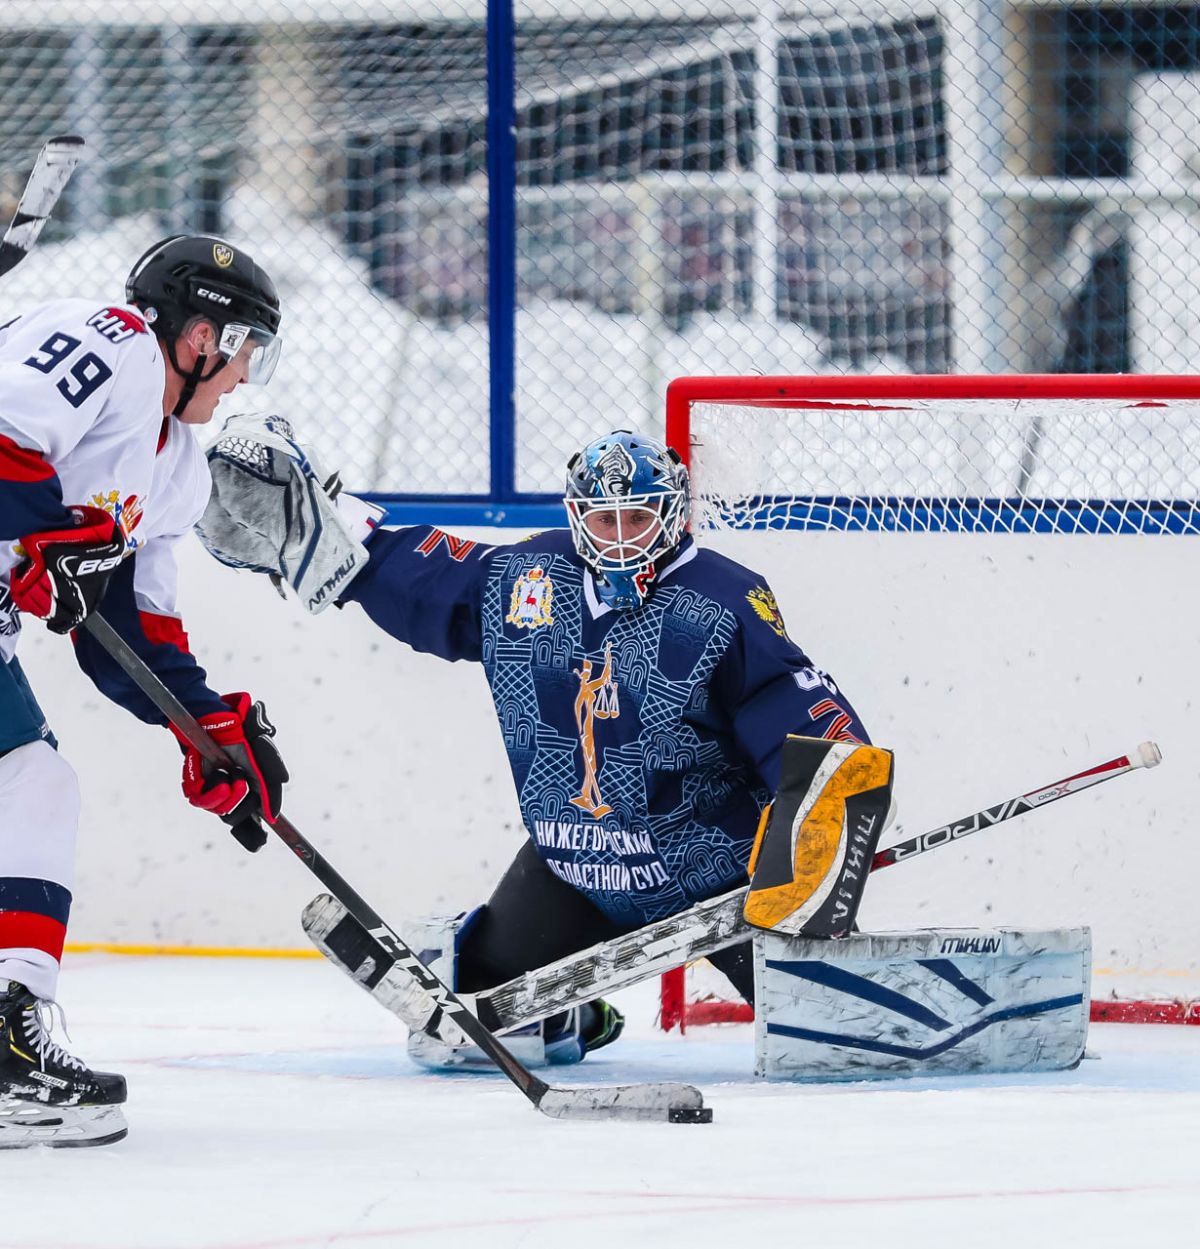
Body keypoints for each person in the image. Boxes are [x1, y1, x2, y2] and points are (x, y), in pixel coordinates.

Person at [329, 429, 871, 1065]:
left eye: (637, 517)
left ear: (672, 514)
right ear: (574, 516)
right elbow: (428, 581)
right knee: (470, 1034)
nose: (620, 536)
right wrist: (338, 532)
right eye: (602, 519)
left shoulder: (722, 599)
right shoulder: (528, 575)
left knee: (843, 1032)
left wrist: (810, 848)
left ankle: (843, 987)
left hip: (715, 878)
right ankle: (577, 1016)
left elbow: (803, 723)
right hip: (580, 866)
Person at [0, 235, 290, 1146]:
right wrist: (48, 535)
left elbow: (129, 630)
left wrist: (208, 729)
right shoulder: (114, 341)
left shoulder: (176, 463)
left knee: (35, 786)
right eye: (244, 351)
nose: (244, 378)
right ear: (200, 333)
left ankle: (10, 1032)